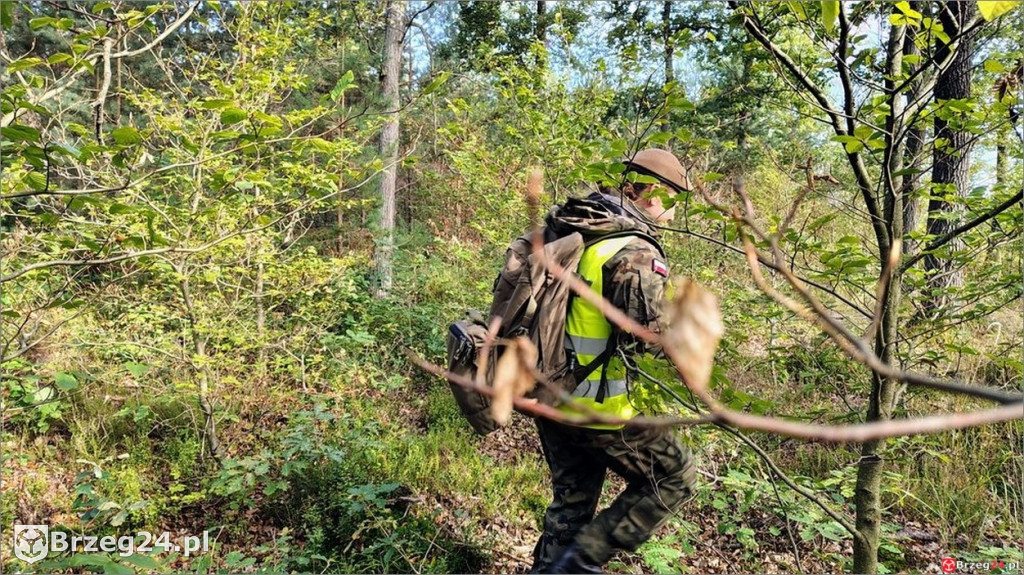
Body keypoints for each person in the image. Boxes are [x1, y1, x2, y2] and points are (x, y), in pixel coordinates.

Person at [530, 148, 698, 574]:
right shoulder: (634, 249)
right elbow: (646, 335)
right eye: (672, 202)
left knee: (571, 505)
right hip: (595, 408)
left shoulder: (574, 227)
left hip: (547, 391)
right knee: (675, 475)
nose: (674, 216)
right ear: (648, 191)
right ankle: (581, 563)